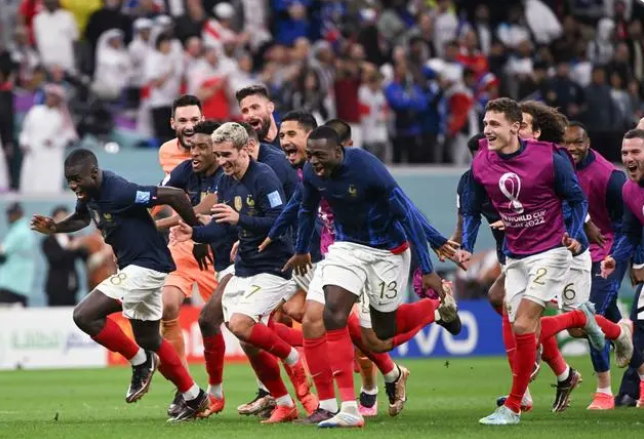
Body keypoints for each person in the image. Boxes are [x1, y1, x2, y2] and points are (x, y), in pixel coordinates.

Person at [458, 98, 623, 425]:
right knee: (529, 328)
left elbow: (576, 199)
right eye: (485, 123)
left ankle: (514, 406)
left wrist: (574, 233)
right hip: (517, 254)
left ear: (516, 127)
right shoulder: (481, 164)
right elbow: (471, 210)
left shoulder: (549, 157)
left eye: (494, 124)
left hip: (553, 250)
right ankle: (613, 332)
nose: (487, 130)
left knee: (523, 324)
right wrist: (465, 246)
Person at [282, 126, 456, 428]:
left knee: (379, 339)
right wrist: (300, 250)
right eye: (310, 156)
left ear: (339, 151)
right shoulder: (312, 172)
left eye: (320, 155)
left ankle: (434, 310)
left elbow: (408, 215)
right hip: (346, 247)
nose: (314, 162)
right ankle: (347, 409)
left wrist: (427, 270)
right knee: (332, 314)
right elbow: (306, 210)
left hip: (387, 251)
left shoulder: (368, 169)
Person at [30, 149, 209, 422]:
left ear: (94, 173)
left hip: (145, 267)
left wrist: (199, 234)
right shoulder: (89, 194)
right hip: (138, 268)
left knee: (85, 315)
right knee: (149, 338)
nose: (73, 185)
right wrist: (55, 227)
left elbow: (174, 195)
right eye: (69, 180)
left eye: (77, 179)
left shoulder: (120, 191)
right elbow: (82, 218)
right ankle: (194, 396)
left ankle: (140, 361)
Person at [171, 122, 311, 424]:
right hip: (246, 267)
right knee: (246, 338)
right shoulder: (226, 181)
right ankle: (285, 403)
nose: (222, 161)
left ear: (244, 149)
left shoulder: (264, 176)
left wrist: (240, 219)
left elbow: (279, 221)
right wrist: (193, 233)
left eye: (227, 155)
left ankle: (294, 358)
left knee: (240, 324)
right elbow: (222, 227)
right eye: (218, 155)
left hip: (273, 266)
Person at [155, 119, 221, 416]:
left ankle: (273, 390)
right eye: (192, 146)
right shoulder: (179, 165)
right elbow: (158, 197)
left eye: (201, 146)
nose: (194, 152)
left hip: (218, 251)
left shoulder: (229, 170)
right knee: (168, 306)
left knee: (242, 324)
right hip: (182, 247)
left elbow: (206, 206)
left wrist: (173, 223)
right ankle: (186, 390)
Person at [563, 121, 630, 409]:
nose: (572, 148)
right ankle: (641, 372)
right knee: (610, 322)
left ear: (588, 142)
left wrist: (630, 258)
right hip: (577, 255)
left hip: (607, 254)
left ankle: (604, 391)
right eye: (567, 143)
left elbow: (627, 223)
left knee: (589, 316)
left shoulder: (609, 176)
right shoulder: (557, 168)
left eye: (578, 142)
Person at [600, 128, 644, 408]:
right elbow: (630, 232)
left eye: (635, 152)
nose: (628, 158)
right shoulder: (629, 190)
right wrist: (616, 257)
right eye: (624, 153)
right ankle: (633, 389)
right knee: (640, 322)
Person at [19, 83, 77, 194]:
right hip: (33, 153)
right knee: (30, 183)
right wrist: (24, 142)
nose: (50, 98)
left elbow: (69, 137)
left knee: (48, 184)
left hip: (51, 156)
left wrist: (54, 141)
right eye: (49, 95)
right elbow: (25, 131)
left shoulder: (61, 116)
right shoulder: (35, 111)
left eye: (54, 96)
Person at [42, 205, 85, 306]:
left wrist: (83, 243)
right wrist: (70, 247)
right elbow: (54, 259)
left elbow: (84, 257)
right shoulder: (48, 241)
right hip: (55, 286)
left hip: (72, 285)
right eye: (60, 218)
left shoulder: (72, 239)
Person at [0, 202, 36, 307]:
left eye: (11, 214)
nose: (9, 217)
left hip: (11, 285)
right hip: (21, 285)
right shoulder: (26, 230)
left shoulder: (19, 231)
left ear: (19, 214)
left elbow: (2, 250)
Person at [236, 84, 281, 149]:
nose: (250, 115)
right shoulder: (247, 149)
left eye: (255, 107)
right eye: (245, 111)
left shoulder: (292, 132)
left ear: (270, 107)